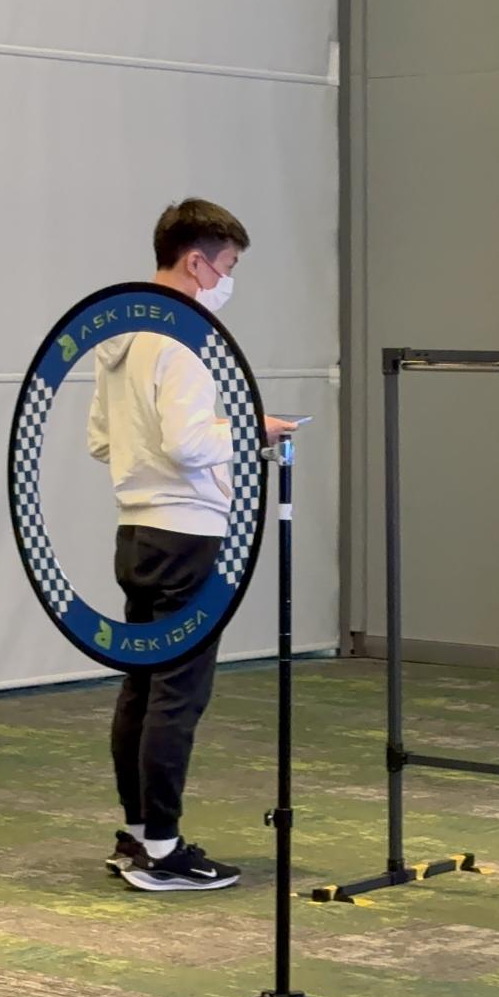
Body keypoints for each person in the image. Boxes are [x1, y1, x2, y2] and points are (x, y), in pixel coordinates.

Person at [86, 198, 299, 892]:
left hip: (136, 530)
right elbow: (187, 443)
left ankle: (138, 833)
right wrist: (253, 428)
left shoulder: (119, 333)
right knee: (178, 695)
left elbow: (100, 440)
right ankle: (163, 847)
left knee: (143, 686)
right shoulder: (183, 337)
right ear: (196, 262)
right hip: (188, 533)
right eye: (227, 265)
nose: (228, 280)